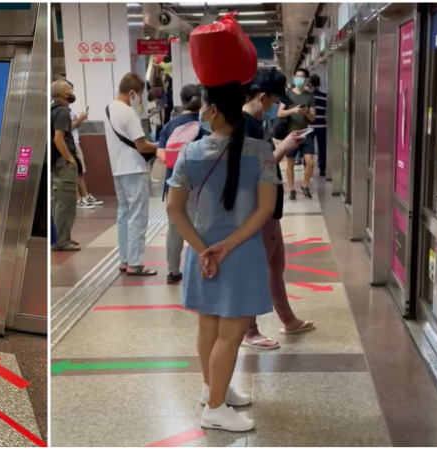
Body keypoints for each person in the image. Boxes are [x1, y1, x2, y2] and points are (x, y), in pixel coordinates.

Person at [165, 82, 278, 432]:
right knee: (230, 333)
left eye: (204, 106)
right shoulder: (261, 151)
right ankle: (215, 407)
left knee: (208, 327)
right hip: (241, 254)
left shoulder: (189, 153)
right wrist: (228, 246)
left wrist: (201, 249)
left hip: (202, 253)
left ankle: (213, 387)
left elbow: (174, 209)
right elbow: (265, 210)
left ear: (213, 111)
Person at [241, 68, 315, 350]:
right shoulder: (245, 123)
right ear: (261, 97)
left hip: (270, 204)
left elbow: (260, 153)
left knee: (275, 264)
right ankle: (249, 329)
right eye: (274, 101)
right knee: (258, 268)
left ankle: (288, 318)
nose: (276, 107)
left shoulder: (255, 121)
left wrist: (278, 143)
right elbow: (256, 167)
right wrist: (283, 148)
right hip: (258, 206)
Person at [104, 73, 158, 276]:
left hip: (117, 169)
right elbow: (142, 145)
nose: (141, 100)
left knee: (124, 215)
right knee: (138, 217)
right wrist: (162, 146)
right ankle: (135, 264)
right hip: (134, 170)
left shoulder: (109, 108)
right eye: (141, 95)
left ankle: (125, 260)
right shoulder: (128, 112)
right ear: (132, 92)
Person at [157, 84, 208, 283]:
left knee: (175, 228)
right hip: (200, 186)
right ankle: (202, 265)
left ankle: (172, 270)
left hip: (173, 184)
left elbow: (161, 153)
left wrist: (174, 163)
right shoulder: (206, 124)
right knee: (200, 227)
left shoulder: (171, 125)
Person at [50, 79, 81, 251]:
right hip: (63, 162)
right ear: (62, 94)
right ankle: (63, 240)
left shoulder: (52, 110)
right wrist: (70, 159)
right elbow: (58, 139)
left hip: (56, 163)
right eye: (69, 88)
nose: (71, 90)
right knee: (66, 202)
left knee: (59, 201)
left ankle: (63, 237)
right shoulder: (62, 112)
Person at [278, 68, 316, 199]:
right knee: (290, 163)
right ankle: (291, 189)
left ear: (306, 80)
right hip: (291, 133)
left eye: (302, 77)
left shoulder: (309, 96)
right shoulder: (287, 94)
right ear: (294, 77)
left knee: (310, 162)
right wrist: (293, 110)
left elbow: (312, 118)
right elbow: (280, 113)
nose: (299, 79)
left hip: (306, 132)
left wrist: (305, 112)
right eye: (297, 76)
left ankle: (305, 186)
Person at [66, 81, 102, 209]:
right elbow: (66, 127)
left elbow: (75, 123)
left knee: (80, 172)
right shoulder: (60, 109)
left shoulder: (69, 108)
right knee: (74, 172)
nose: (71, 93)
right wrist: (80, 119)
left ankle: (85, 196)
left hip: (75, 142)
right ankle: (78, 199)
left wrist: (80, 119)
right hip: (70, 144)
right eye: (69, 89)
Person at [310, 74, 328, 177]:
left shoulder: (307, 96)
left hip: (309, 126)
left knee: (308, 148)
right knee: (322, 148)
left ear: (310, 84)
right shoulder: (324, 96)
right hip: (322, 125)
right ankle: (322, 169)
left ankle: (307, 167)